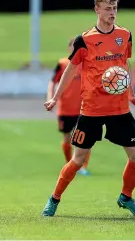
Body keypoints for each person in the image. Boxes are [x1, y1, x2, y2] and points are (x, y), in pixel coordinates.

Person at [41, 0, 135, 217]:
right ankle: (54, 199)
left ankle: (126, 197)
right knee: (77, 160)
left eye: (115, 8)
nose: (112, 13)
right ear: (96, 9)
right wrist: (55, 98)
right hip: (91, 110)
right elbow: (70, 71)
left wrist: (132, 95)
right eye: (108, 9)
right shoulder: (85, 40)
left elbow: (123, 68)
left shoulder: (125, 35)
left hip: (119, 109)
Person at [47, 37, 90, 176]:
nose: (75, 49)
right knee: (67, 138)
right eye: (73, 46)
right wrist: (50, 98)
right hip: (65, 109)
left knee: (85, 139)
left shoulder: (87, 64)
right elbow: (52, 82)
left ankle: (83, 167)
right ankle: (69, 164)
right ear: (69, 48)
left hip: (84, 109)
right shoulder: (63, 64)